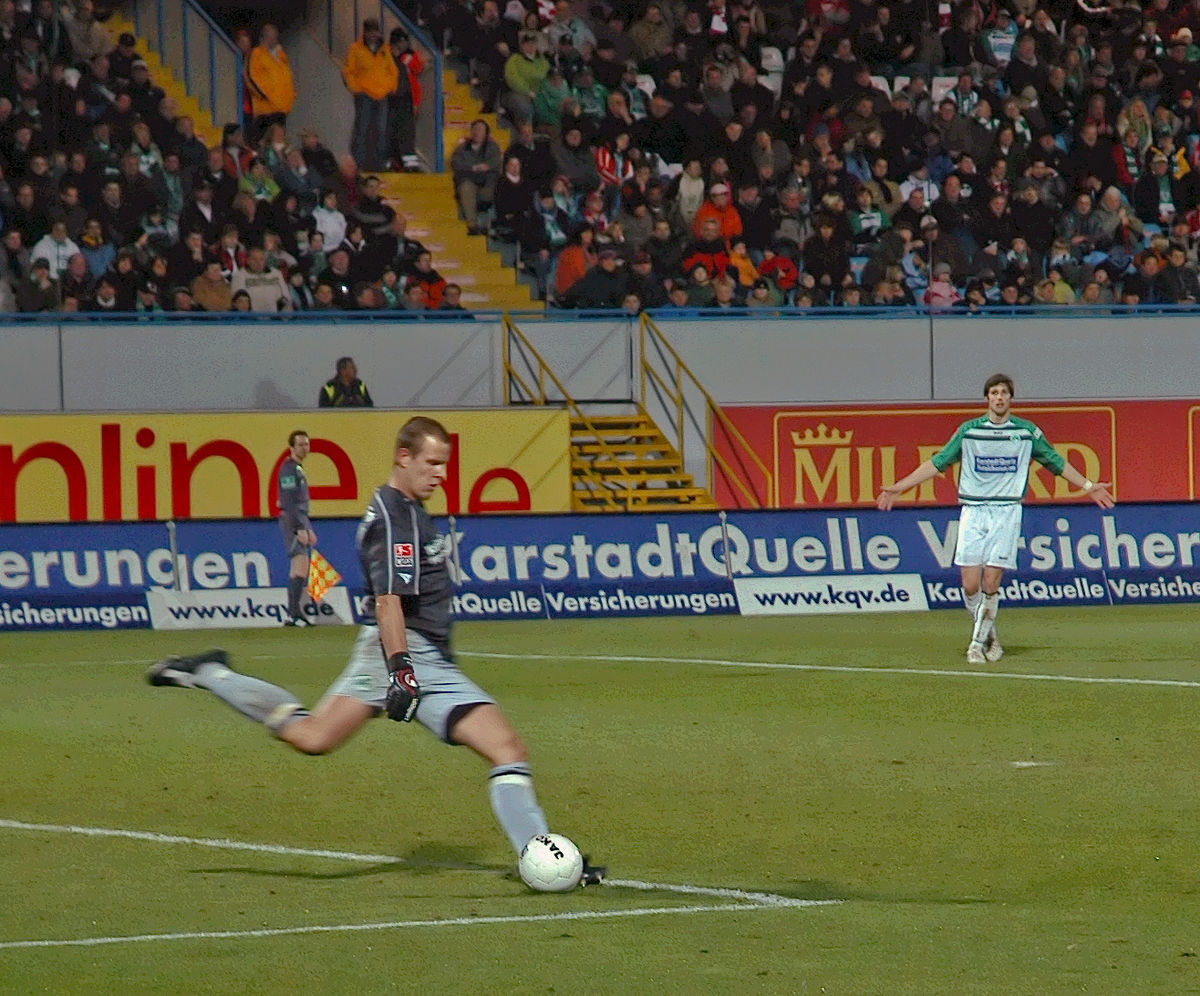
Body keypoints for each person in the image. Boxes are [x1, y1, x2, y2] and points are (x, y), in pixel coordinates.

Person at [146, 417, 604, 882]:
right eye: (432, 463)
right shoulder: (394, 518)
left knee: (318, 737)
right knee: (501, 748)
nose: (441, 473)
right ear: (404, 457)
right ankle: (544, 859)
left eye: (444, 464)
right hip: (405, 652)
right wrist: (401, 670)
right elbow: (388, 602)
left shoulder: (407, 509)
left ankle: (211, 673)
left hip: (416, 656)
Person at [876, 373, 1115, 665]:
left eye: (1003, 392)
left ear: (1010, 398)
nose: (999, 397)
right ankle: (990, 636)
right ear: (987, 398)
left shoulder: (1026, 432)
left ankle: (976, 646)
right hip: (973, 511)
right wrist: (899, 487)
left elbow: (1055, 462)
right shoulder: (969, 431)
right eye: (994, 393)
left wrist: (1089, 486)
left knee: (991, 580)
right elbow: (937, 462)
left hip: (1006, 511)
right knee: (969, 585)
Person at [277, 429, 316, 627]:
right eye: (300, 444)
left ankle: (293, 613)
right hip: (292, 521)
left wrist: (307, 527)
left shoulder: (297, 468)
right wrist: (299, 528)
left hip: (298, 520)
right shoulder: (289, 469)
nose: (304, 448)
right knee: (300, 563)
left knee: (298, 565)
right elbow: (289, 501)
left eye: (306, 444)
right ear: (291, 447)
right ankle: (294, 613)